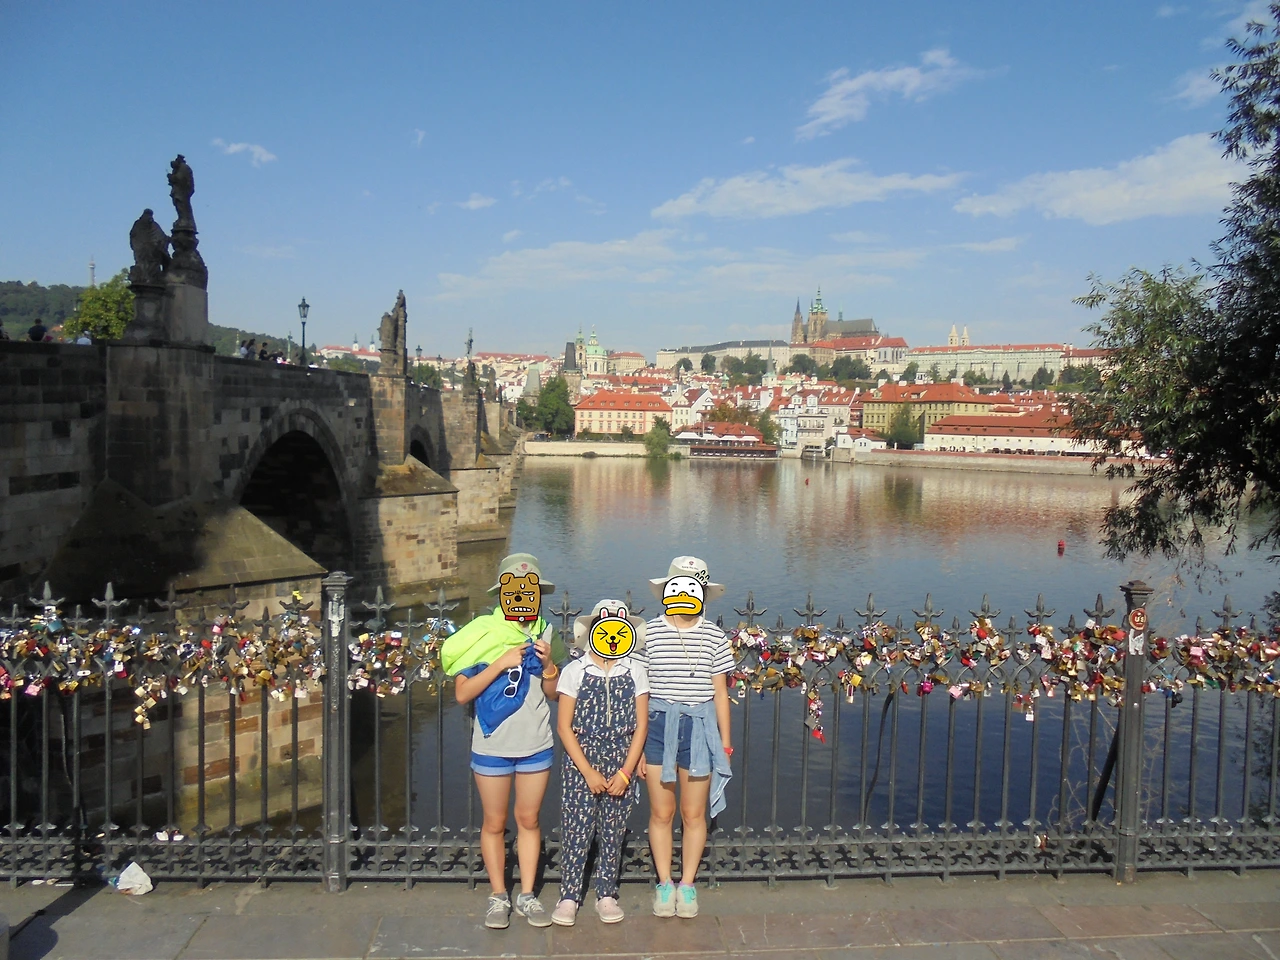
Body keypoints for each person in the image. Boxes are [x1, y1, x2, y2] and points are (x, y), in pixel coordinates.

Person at [441, 554, 566, 930]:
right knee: (494, 822)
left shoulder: (547, 632)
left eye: (531, 590)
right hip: (493, 743)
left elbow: (555, 693)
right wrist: (498, 663)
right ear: (502, 594)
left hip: (536, 743)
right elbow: (463, 695)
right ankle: (498, 896)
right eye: (515, 590)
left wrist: (547, 666)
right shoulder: (481, 634)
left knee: (528, 819)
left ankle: (527, 895)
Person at [637, 556, 733, 920]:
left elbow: (720, 692)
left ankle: (687, 884)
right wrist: (639, 741)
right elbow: (641, 691)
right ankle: (665, 882)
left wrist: (725, 741)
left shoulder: (714, 635)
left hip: (698, 727)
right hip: (659, 725)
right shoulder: (650, 633)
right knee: (662, 811)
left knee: (693, 813)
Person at [552, 600, 649, 927]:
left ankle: (607, 892)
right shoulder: (575, 671)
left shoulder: (635, 669)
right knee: (576, 828)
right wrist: (588, 770)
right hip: (583, 757)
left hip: (621, 755)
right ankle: (569, 894)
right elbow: (564, 726)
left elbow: (641, 725)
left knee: (613, 829)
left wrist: (626, 771)